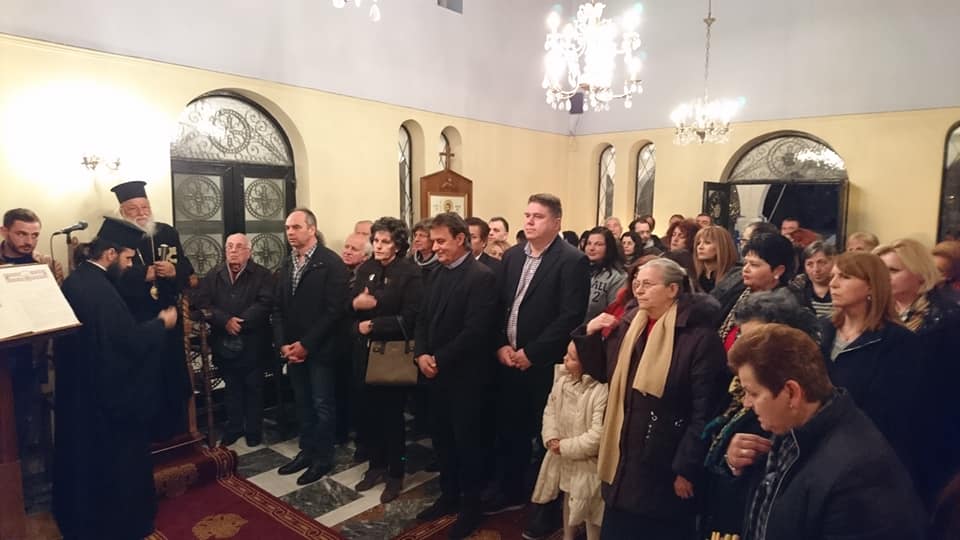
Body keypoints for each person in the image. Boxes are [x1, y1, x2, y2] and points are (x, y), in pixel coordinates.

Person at [725, 324, 927, 540]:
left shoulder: (857, 476)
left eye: (753, 393)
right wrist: (737, 464)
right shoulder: (790, 423)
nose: (746, 403)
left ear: (792, 392)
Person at [574, 258, 728, 538]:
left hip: (665, 459)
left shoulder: (698, 337)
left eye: (648, 284)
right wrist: (589, 334)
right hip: (625, 451)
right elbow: (605, 372)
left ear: (672, 289)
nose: (639, 290)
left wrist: (687, 468)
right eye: (636, 284)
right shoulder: (630, 324)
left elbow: (705, 410)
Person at [54, 217, 179, 539]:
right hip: (107, 402)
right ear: (110, 254)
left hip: (83, 393)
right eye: (127, 259)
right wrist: (161, 324)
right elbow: (126, 343)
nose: (129, 266)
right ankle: (123, 524)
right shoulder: (99, 291)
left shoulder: (78, 280)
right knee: (118, 465)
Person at [486, 194, 591, 514]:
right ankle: (512, 490)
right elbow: (499, 305)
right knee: (509, 428)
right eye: (527, 215)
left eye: (538, 216)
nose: (529, 221)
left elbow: (570, 316)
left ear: (556, 223)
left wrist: (531, 352)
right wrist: (500, 344)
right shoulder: (513, 255)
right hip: (508, 357)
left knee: (545, 432)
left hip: (543, 362)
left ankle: (545, 502)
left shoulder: (572, 260)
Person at [700, 289, 821, 539]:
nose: (742, 347)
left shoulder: (793, 399)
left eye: (754, 340)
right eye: (741, 337)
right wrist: (730, 460)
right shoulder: (736, 385)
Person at [413, 213, 497, 539]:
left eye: (440, 241)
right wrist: (421, 353)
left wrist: (438, 358)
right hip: (434, 374)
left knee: (467, 445)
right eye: (433, 241)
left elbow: (476, 331)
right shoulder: (435, 272)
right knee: (442, 441)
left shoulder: (481, 277)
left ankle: (471, 508)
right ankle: (448, 496)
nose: (434, 247)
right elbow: (422, 318)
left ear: (460, 239)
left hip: (466, 378)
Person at [819, 251, 923, 491]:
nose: (833, 283)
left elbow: (894, 413)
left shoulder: (898, 342)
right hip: (819, 448)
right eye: (833, 276)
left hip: (864, 458)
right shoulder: (822, 329)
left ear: (871, 286)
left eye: (845, 277)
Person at [874, 239, 960, 500]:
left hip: (931, 432)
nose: (884, 278)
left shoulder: (947, 318)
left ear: (920, 274)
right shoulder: (880, 310)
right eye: (880, 270)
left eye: (893, 270)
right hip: (889, 428)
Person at [111, 180, 195, 441]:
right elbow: (110, 278)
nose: (141, 213)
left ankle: (177, 433)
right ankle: (148, 438)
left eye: (145, 207)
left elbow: (187, 268)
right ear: (122, 212)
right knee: (146, 378)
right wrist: (142, 275)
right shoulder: (113, 238)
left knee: (172, 374)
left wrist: (173, 270)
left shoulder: (166, 232)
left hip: (169, 315)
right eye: (133, 209)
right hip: (138, 320)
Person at [273, 208, 349, 485]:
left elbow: (334, 311)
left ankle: (323, 458)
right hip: (293, 350)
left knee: (322, 405)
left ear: (312, 229)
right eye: (287, 228)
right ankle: (307, 451)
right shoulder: (287, 263)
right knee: (302, 403)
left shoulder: (331, 263)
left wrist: (306, 344)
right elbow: (278, 308)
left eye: (296, 227)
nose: (290, 232)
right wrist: (283, 344)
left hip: (321, 349)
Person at [351, 217, 422, 504]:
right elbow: (350, 305)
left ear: (398, 245)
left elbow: (412, 316)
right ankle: (375, 466)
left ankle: (396, 472)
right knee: (368, 415)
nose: (378, 246)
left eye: (385, 242)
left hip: (393, 353)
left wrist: (375, 319)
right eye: (376, 241)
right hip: (364, 351)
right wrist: (356, 306)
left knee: (392, 418)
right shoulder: (365, 268)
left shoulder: (410, 272)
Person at [192, 233, 274, 447]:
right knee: (232, 387)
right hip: (224, 340)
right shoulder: (214, 274)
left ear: (249, 251)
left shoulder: (263, 275)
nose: (233, 250)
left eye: (239, 246)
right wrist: (225, 320)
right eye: (229, 246)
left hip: (254, 341)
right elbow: (203, 303)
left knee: (254, 387)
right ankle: (234, 427)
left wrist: (240, 322)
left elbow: (265, 303)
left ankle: (253, 430)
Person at [525, 342, 608, 540]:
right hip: (564, 456)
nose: (564, 359)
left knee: (590, 509)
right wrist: (551, 437)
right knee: (568, 497)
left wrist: (564, 446)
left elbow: (597, 436)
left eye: (571, 358)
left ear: (586, 363)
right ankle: (568, 536)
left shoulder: (600, 391)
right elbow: (550, 411)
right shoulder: (562, 382)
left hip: (587, 463)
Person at [0, 208, 64, 457]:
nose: (29, 241)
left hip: (32, 354)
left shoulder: (46, 264)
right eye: (21, 234)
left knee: (27, 421)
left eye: (35, 235)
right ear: (4, 231)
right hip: (3, 351)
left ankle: (26, 470)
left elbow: (57, 307)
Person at [715, 233, 803, 350]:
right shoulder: (735, 290)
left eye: (754, 265)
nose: (745, 269)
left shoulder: (788, 309)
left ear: (778, 271)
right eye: (745, 263)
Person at [583, 226, 627, 321]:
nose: (591, 248)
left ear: (609, 248)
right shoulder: (579, 269)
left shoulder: (618, 277)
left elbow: (614, 313)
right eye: (589, 243)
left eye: (598, 244)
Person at [794, 240, 837, 318]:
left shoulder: (844, 289)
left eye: (821, 262)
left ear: (834, 262)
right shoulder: (797, 289)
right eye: (810, 264)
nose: (816, 269)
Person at [693, 226, 740, 294]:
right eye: (698, 243)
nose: (700, 247)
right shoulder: (694, 276)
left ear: (721, 246)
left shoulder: (735, 277)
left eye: (707, 243)